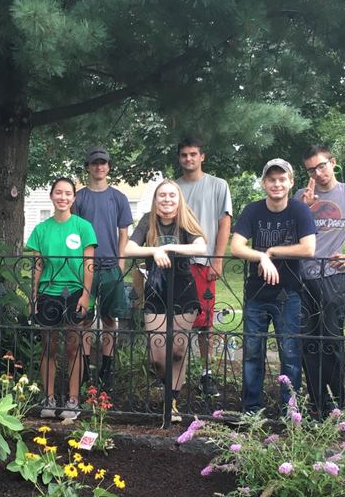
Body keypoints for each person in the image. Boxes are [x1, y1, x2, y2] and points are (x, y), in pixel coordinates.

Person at [295, 145, 345, 416]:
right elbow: (290, 234)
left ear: (333, 163)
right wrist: (302, 207)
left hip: (332, 276)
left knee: (331, 340)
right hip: (301, 277)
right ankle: (317, 404)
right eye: (311, 170)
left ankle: (337, 403)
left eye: (321, 166)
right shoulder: (301, 196)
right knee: (308, 342)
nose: (317, 173)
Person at [231, 159, 316, 416]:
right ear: (264, 183)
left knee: (289, 355)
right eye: (271, 179)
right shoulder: (252, 210)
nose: (276, 184)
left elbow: (308, 248)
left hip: (289, 293)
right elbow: (236, 246)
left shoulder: (300, 210)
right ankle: (252, 409)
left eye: (282, 179)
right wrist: (262, 257)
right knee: (252, 353)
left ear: (291, 182)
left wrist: (271, 250)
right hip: (257, 293)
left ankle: (290, 411)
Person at [124, 180, 207, 420]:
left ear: (178, 198)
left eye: (172, 195)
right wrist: (154, 250)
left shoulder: (186, 219)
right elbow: (129, 248)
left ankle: (171, 404)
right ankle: (164, 384)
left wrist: (169, 249)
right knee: (158, 356)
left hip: (183, 290)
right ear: (156, 198)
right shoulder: (148, 220)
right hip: (156, 291)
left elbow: (200, 247)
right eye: (163, 195)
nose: (167, 199)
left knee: (178, 352)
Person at [28, 178, 97, 421]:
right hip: (49, 292)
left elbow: (89, 264)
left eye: (68, 193)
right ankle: (48, 398)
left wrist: (86, 295)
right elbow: (38, 265)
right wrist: (34, 295)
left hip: (75, 292)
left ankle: (73, 400)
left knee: (73, 347)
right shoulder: (41, 229)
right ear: (51, 196)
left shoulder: (83, 227)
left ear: (74, 198)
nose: (63, 197)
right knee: (49, 345)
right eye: (58, 192)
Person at [73, 145, 134, 393]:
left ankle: (107, 368)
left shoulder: (118, 198)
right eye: (94, 163)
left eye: (103, 163)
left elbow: (124, 234)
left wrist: (120, 265)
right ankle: (86, 368)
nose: (99, 166)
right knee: (85, 319)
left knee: (111, 318)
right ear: (88, 167)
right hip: (85, 268)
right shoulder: (79, 198)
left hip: (110, 267)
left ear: (109, 167)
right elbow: (74, 234)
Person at [175, 137, 232, 398]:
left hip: (203, 263)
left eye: (193, 154)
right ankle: (173, 375)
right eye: (184, 154)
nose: (189, 158)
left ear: (202, 157)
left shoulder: (218, 185)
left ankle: (206, 374)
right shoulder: (172, 188)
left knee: (205, 323)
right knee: (176, 321)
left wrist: (217, 259)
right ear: (180, 158)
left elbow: (224, 225)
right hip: (176, 264)